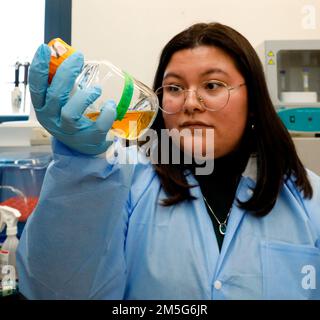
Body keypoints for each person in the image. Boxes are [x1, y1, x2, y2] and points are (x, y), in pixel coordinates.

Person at [17, 22, 320, 300]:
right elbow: (53, 290)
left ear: (253, 100)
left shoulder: (308, 198)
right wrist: (79, 167)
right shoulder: (124, 180)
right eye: (174, 88)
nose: (189, 103)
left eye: (212, 85)